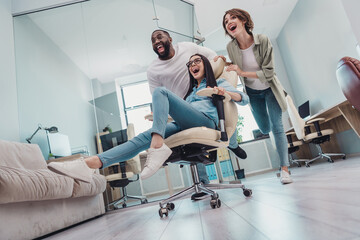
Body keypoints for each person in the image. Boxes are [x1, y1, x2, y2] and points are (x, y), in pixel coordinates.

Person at [49, 54, 249, 187]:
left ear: (206, 64)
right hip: (185, 122)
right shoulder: (190, 94)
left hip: (205, 121)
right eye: (189, 64)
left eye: (196, 61)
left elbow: (244, 98)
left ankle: (157, 145)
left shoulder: (218, 83)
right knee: (140, 139)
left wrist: (225, 93)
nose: (192, 65)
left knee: (161, 92)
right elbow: (183, 111)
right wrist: (161, 118)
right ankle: (91, 163)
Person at [148, 29, 247, 200]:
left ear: (170, 39)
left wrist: (217, 62)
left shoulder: (186, 48)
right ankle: (202, 183)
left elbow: (208, 54)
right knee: (190, 138)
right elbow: (155, 93)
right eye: (152, 39)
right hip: (182, 102)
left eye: (160, 37)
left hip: (200, 93)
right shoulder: (154, 69)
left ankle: (233, 144)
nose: (156, 41)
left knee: (220, 110)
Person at [219, 8, 293, 184]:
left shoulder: (263, 40)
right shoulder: (231, 47)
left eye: (233, 17)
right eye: (226, 21)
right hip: (253, 93)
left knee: (277, 127)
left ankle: (284, 169)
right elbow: (236, 67)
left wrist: (242, 72)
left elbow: (269, 72)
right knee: (265, 129)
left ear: (243, 21)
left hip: (271, 90)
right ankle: (282, 164)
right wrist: (225, 63)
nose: (229, 21)